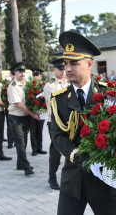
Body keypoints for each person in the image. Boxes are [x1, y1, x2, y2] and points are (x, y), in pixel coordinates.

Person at [50, 31, 116, 214]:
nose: (68, 68)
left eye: (74, 63)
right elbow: (57, 135)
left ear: (89, 64)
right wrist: (79, 157)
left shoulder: (109, 95)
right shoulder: (59, 99)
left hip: (103, 180)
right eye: (66, 63)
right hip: (72, 180)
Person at [7, 62, 40, 176]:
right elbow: (19, 104)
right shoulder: (13, 86)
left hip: (25, 117)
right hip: (15, 117)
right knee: (20, 142)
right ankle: (26, 167)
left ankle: (19, 164)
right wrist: (32, 114)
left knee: (24, 141)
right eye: (19, 71)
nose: (22, 73)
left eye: (23, 71)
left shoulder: (27, 84)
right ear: (14, 73)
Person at [44, 58, 68, 190]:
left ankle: (68, 177)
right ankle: (52, 178)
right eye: (60, 69)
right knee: (56, 150)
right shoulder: (50, 85)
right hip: (55, 122)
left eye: (64, 69)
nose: (63, 72)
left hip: (69, 122)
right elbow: (56, 105)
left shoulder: (68, 83)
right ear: (54, 70)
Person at [29, 68, 47, 156]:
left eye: (37, 75)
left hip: (41, 112)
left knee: (40, 130)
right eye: (34, 75)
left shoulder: (44, 86)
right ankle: (34, 149)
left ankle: (40, 147)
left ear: (40, 76)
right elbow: (28, 99)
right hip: (32, 112)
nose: (35, 77)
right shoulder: (29, 86)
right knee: (33, 131)